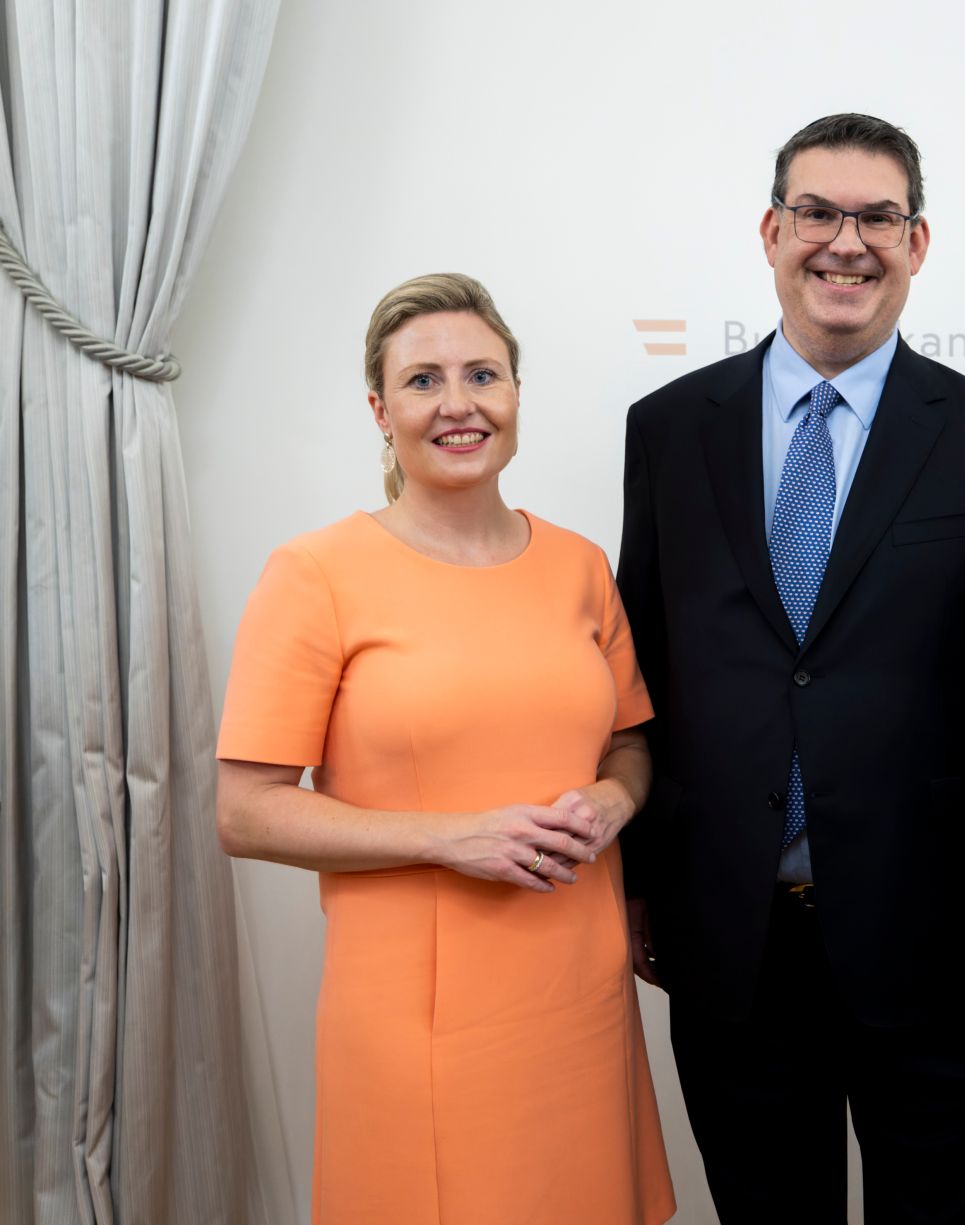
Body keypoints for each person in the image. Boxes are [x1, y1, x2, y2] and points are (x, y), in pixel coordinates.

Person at [616, 113, 965, 1223]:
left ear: (917, 245)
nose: (845, 241)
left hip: (940, 956)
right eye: (817, 212)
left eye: (878, 217)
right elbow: (641, 675)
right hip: (731, 945)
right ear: (771, 232)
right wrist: (634, 881)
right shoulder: (668, 428)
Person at [215, 273, 674, 1225]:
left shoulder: (581, 565)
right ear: (380, 411)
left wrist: (615, 802)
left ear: (514, 396)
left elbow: (632, 746)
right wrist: (448, 837)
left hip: (576, 989)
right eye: (423, 381)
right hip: (417, 1010)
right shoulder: (316, 574)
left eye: (483, 374)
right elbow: (246, 808)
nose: (458, 403)